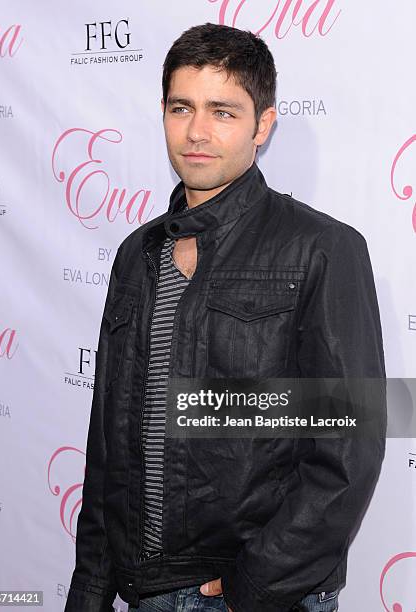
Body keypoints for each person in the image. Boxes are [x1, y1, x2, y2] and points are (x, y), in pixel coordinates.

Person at [64, 22, 386, 612]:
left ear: (263, 124)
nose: (197, 132)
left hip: (258, 592)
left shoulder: (321, 248)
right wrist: (90, 586)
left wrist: (255, 585)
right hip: (143, 588)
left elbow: (349, 447)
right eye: (181, 107)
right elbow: (110, 440)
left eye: (223, 111)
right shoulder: (137, 255)